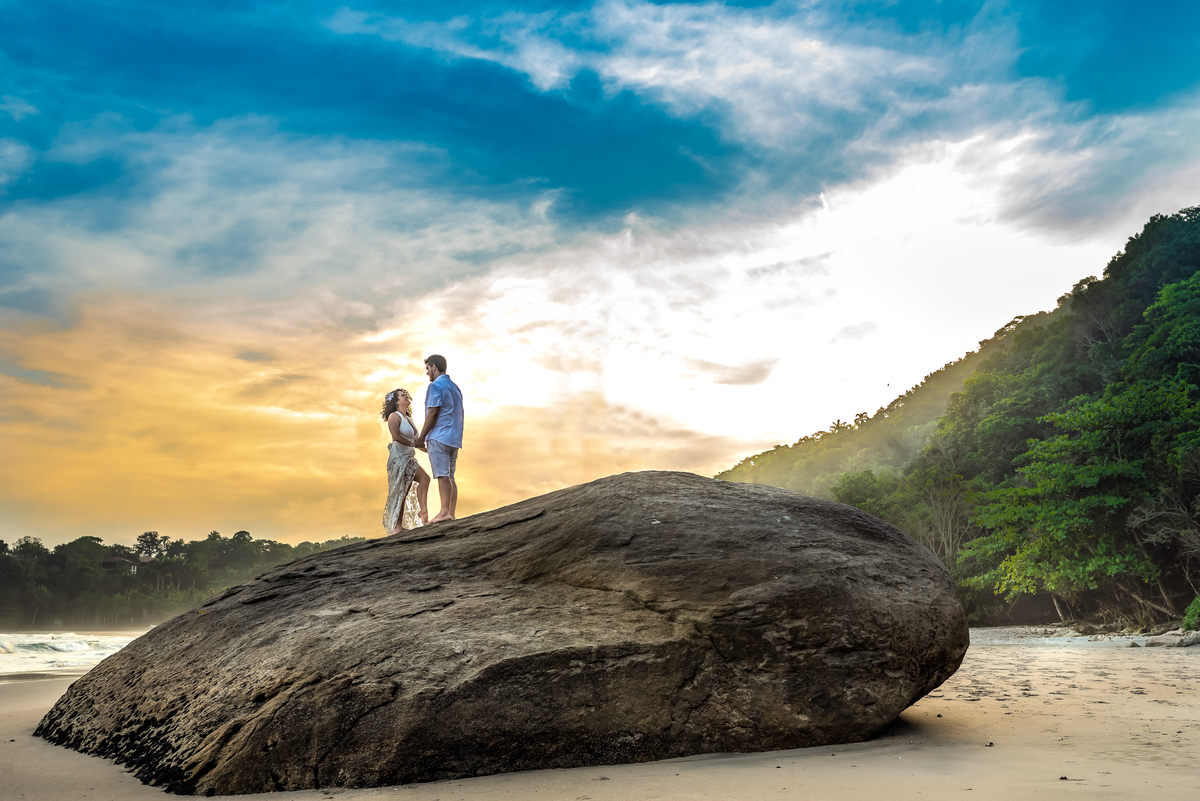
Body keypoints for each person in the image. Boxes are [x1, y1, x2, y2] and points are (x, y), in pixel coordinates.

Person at [413, 354, 463, 523]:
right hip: (454, 437)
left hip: (439, 436)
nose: (427, 372)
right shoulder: (455, 388)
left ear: (433, 367)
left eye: (428, 368)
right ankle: (451, 513)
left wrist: (421, 437)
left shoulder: (435, 386)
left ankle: (444, 511)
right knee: (450, 476)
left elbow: (433, 412)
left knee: (442, 475)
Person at [381, 388, 431, 534]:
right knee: (403, 490)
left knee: (419, 482)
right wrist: (413, 444)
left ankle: (420, 513)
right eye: (402, 396)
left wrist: (430, 451)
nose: (406, 397)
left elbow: (416, 442)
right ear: (397, 401)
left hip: (408, 457)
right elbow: (396, 437)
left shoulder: (408, 419)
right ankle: (399, 527)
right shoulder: (394, 416)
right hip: (399, 458)